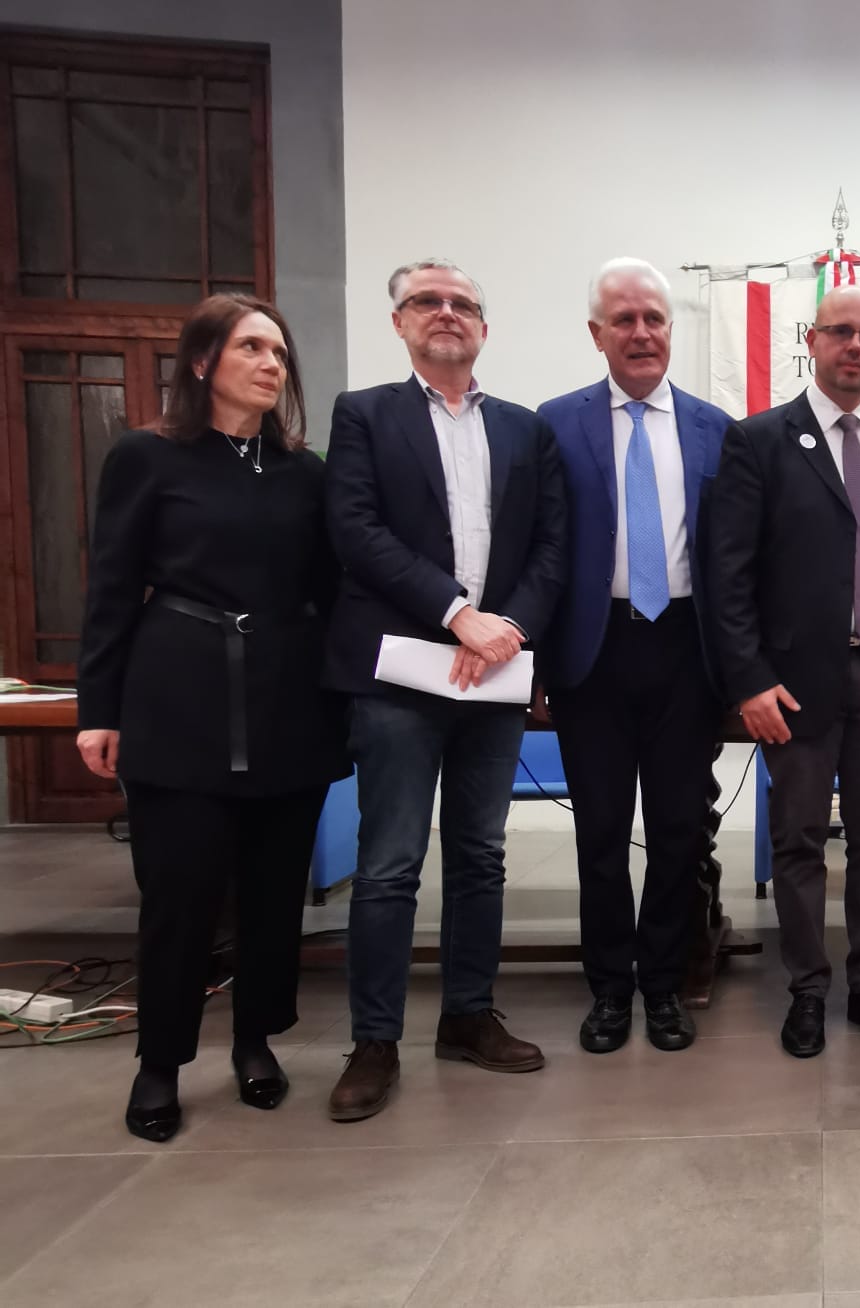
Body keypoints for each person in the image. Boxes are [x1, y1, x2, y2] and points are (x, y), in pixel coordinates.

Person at [76, 294, 346, 1142]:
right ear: (202, 362)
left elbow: (331, 591)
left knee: (273, 890)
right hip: (178, 695)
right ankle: (160, 1062)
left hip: (287, 701)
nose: (272, 364)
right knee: (180, 892)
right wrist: (97, 709)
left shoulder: (306, 472)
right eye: (252, 348)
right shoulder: (147, 457)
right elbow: (112, 587)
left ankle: (255, 1042)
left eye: (280, 352)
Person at [322, 259, 566, 1121]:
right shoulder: (364, 415)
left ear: (485, 330)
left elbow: (552, 547)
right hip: (402, 671)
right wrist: (459, 615)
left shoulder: (524, 430)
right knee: (389, 864)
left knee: (479, 855)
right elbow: (355, 531)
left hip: (494, 671)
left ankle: (467, 1015)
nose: (447, 313)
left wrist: (509, 629)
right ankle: (374, 1042)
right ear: (399, 322)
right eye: (427, 301)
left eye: (463, 304)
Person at [703, 285, 860, 1059]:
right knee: (797, 841)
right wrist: (748, 680)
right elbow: (728, 573)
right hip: (794, 684)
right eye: (841, 331)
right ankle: (806, 989)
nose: (855, 346)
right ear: (812, 340)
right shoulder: (759, 440)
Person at [538, 258, 732, 1055]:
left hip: (687, 651)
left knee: (681, 832)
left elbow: (734, 558)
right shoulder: (555, 424)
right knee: (602, 834)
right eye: (624, 319)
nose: (642, 332)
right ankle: (610, 990)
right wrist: (537, 662)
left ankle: (664, 985)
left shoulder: (717, 428)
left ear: (671, 329)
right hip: (594, 653)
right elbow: (542, 547)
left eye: (654, 318)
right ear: (597, 334)